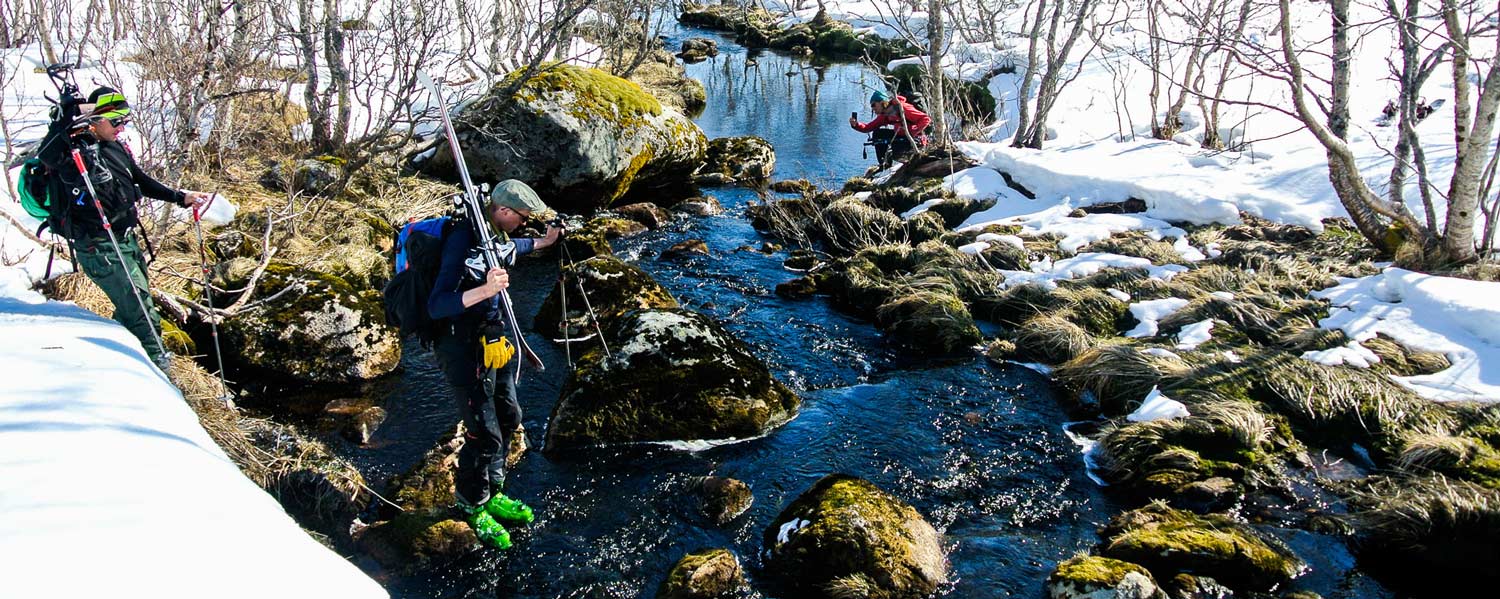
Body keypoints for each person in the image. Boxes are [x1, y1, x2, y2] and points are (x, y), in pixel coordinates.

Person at [426, 179, 562, 550]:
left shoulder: (495, 237)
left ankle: (495, 490)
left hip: (494, 342)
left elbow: (512, 248)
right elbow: (437, 305)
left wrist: (545, 242)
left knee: (508, 416)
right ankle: (472, 505)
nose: (524, 223)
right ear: (503, 211)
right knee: (483, 434)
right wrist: (486, 290)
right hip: (461, 350)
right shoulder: (462, 240)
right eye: (522, 217)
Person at [36, 86, 210, 370]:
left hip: (125, 240)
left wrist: (180, 197)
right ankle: (159, 368)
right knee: (140, 307)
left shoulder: (115, 147)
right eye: (116, 121)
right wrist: (66, 118)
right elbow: (47, 152)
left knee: (136, 304)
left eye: (125, 121)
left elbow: (139, 179)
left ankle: (126, 361)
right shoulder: (72, 152)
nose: (122, 127)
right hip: (99, 246)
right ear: (95, 120)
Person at [849, 89, 932, 167]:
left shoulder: (903, 108)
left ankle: (910, 160)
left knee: (898, 152)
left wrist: (913, 131)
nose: (873, 108)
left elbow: (925, 119)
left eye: (874, 105)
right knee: (878, 134)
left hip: (915, 138)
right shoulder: (885, 115)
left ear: (882, 102)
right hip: (901, 136)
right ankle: (884, 165)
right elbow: (868, 128)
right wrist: (856, 124)